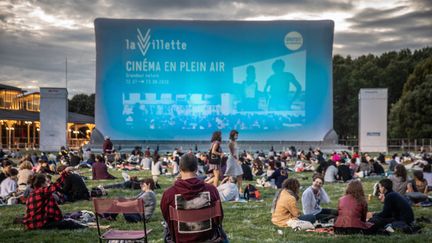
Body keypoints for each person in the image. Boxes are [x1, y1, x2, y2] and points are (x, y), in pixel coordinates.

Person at [160, 153, 225, 242]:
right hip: (208, 239)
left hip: (180, 240)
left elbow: (167, 218)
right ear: (197, 169)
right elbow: (219, 218)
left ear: (179, 168)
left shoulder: (169, 194)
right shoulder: (212, 190)